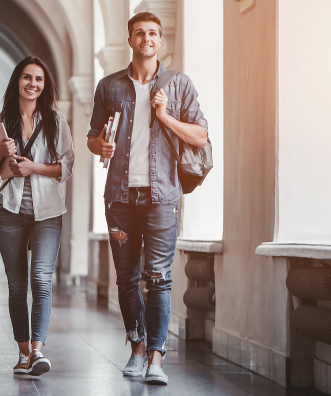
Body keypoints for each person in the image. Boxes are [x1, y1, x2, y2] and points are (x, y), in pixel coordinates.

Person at [87, 13, 209, 385]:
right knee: (127, 278)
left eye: (153, 33)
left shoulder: (179, 85)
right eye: (140, 33)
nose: (147, 38)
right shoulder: (109, 86)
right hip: (120, 198)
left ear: (160, 40)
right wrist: (100, 145)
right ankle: (136, 349)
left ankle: (156, 357)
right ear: (130, 39)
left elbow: (200, 136)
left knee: (158, 278)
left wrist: (165, 116)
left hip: (161, 197)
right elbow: (92, 136)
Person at [0, 56, 74, 376]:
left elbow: (66, 167)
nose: (32, 84)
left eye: (39, 79)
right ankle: (22, 353)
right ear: (16, 81)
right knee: (17, 285)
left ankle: (38, 351)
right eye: (26, 78)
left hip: (48, 213)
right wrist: (0, 152)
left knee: (41, 279)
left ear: (45, 86)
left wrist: (34, 167)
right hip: (10, 211)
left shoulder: (56, 121)